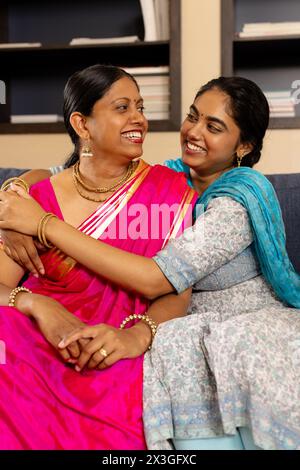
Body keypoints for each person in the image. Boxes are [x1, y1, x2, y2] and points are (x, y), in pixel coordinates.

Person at [1, 76, 300, 450]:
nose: (193, 131)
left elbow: (159, 279)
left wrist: (43, 225)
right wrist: (12, 195)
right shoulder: (170, 175)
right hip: (169, 326)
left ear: (244, 145)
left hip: (232, 324)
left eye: (214, 126)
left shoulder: (230, 203)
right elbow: (58, 174)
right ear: (82, 124)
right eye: (193, 116)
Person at [0, 64, 197, 450]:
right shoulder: (35, 198)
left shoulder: (168, 190)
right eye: (122, 107)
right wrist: (36, 303)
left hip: (114, 340)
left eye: (139, 106)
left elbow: (176, 291)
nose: (139, 118)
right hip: (42, 336)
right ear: (82, 124)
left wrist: (135, 335)